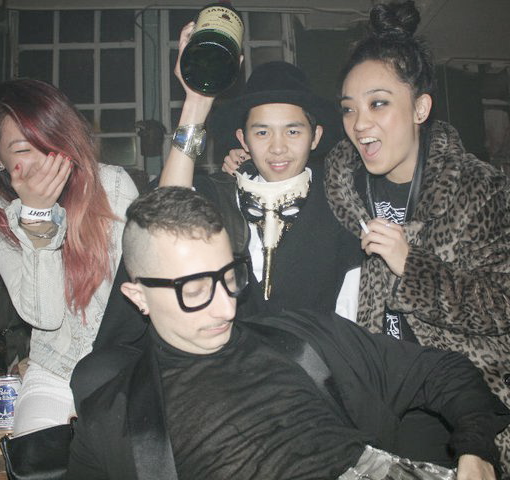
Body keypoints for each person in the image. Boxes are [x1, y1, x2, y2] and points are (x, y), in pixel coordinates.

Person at [67, 187, 510, 480]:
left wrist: (476, 452)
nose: (227, 306)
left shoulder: (301, 336)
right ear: (138, 295)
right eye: (195, 290)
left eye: (229, 277)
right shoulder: (110, 420)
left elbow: (444, 371)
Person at [322, 1, 510, 477]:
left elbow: (504, 309)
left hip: (475, 401)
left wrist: (411, 266)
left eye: (378, 103)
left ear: (420, 107)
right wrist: (244, 166)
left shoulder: (479, 188)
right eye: (349, 108)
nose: (359, 123)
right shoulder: (339, 193)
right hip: (378, 401)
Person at [91, 25, 362, 351]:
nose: (278, 148)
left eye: (293, 132)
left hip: (314, 364)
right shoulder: (222, 195)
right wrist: (196, 102)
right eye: (262, 133)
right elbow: (164, 211)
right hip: (228, 364)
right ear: (243, 140)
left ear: (315, 136)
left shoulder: (340, 203)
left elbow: (350, 313)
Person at [0, 79, 138, 435]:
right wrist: (37, 217)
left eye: (50, 141)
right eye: (23, 149)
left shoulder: (112, 185)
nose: (45, 160)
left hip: (122, 362)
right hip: (54, 368)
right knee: (35, 448)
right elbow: (44, 316)